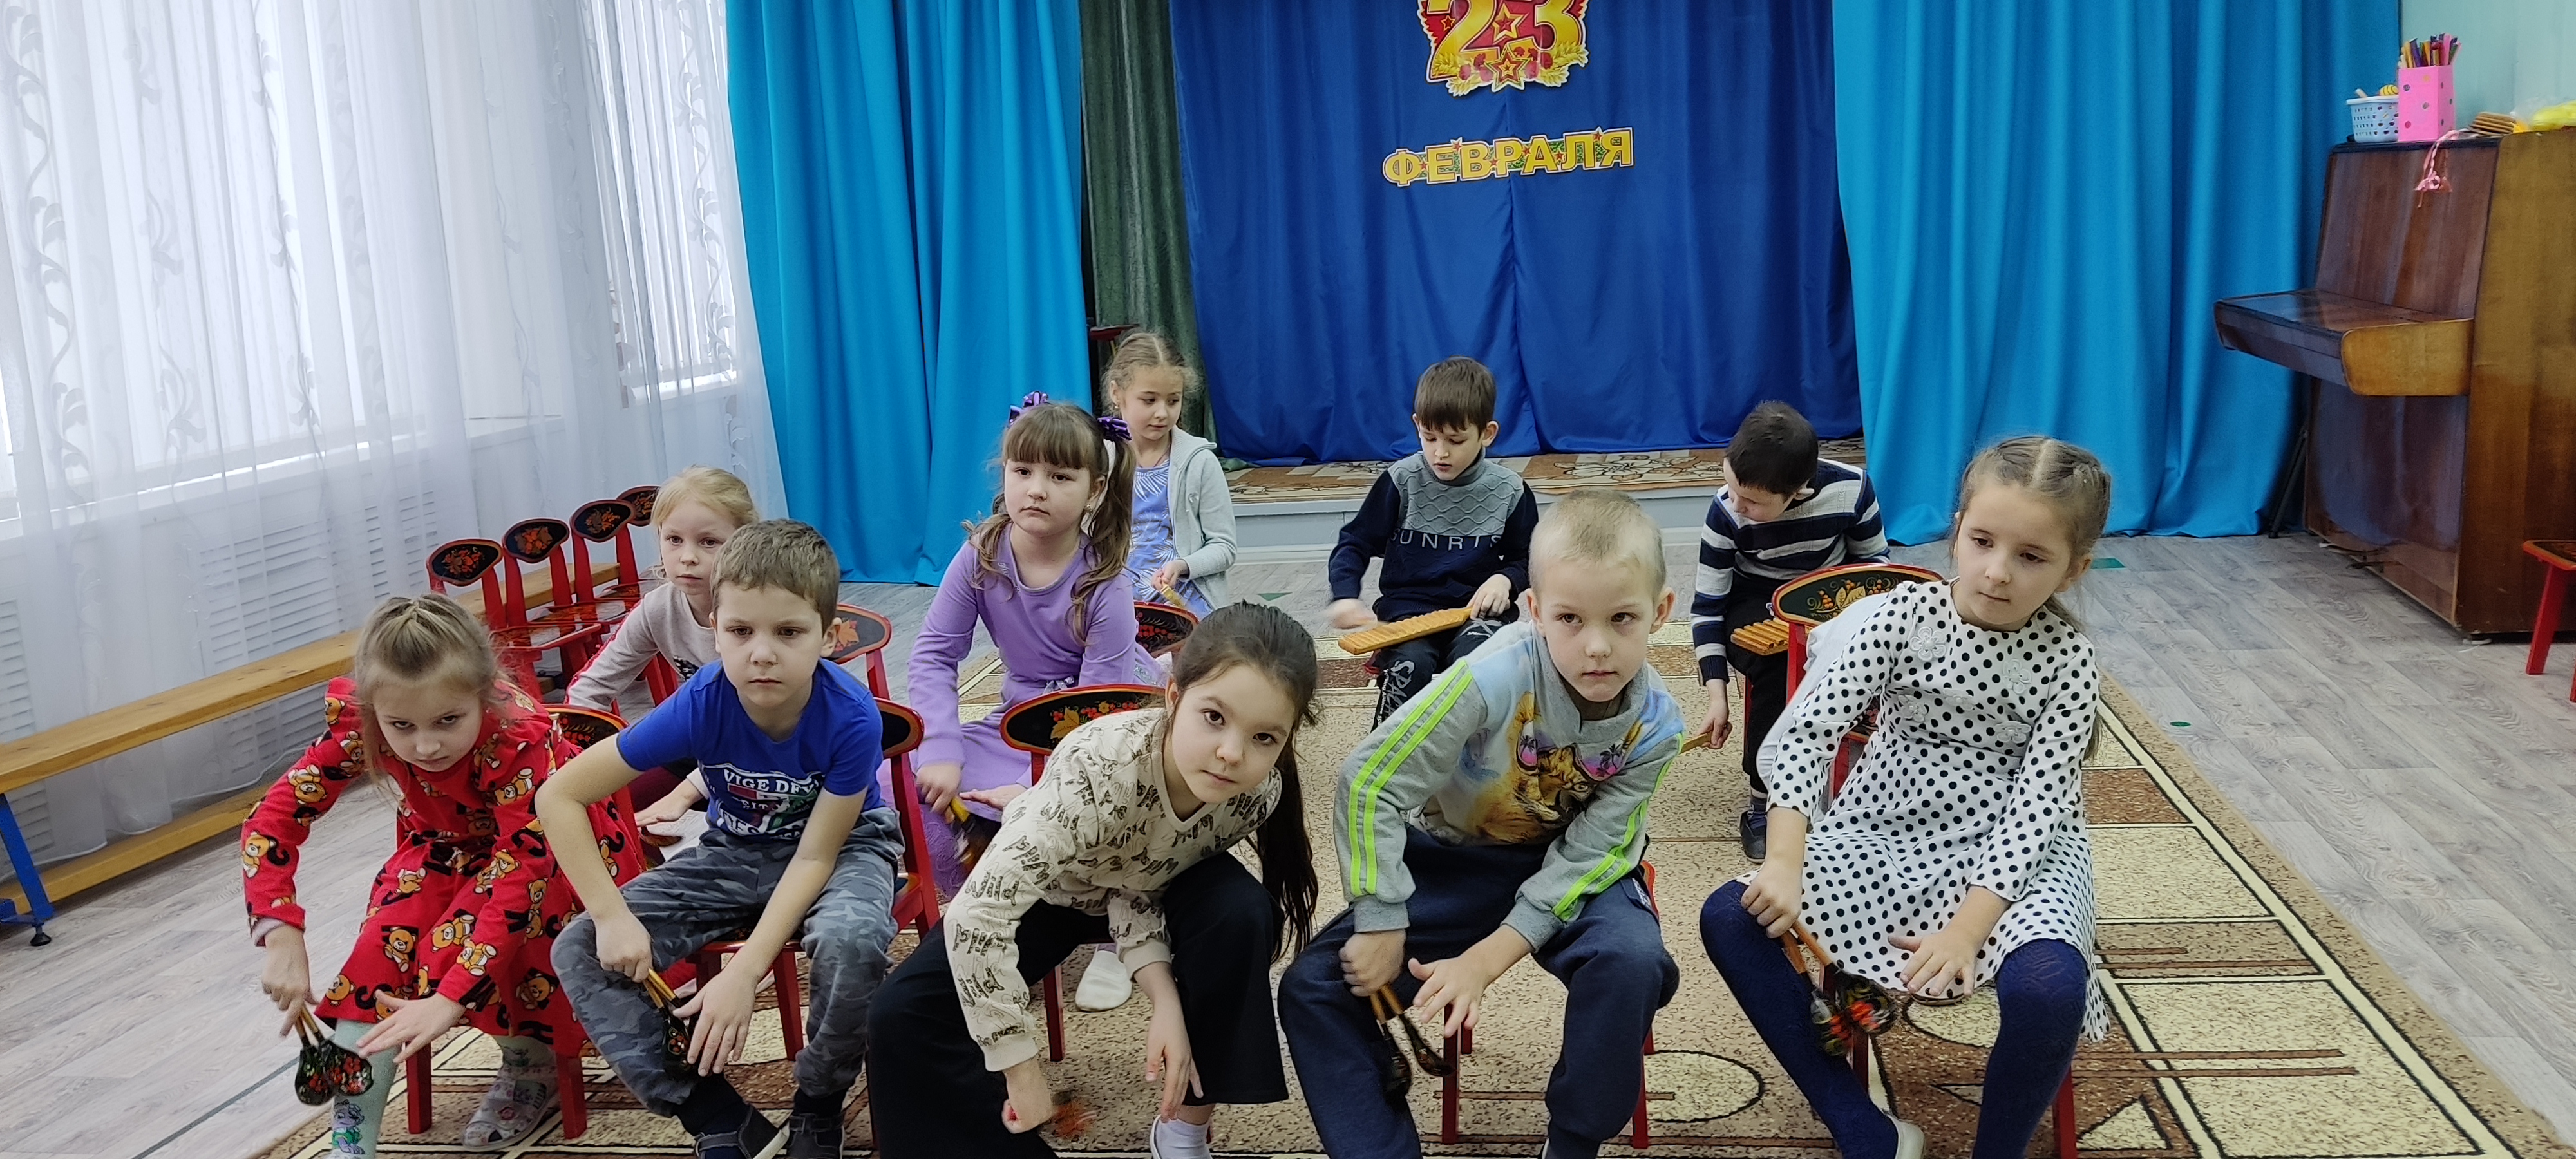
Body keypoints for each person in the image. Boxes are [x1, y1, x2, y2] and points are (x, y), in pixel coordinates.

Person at [1697, 436, 2111, 1159]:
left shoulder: (2070, 660)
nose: (1996, 572)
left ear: (2073, 569)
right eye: (1981, 541)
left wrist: (1966, 933)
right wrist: (1785, 862)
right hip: (1886, 831)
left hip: (2021, 860)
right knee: (1732, 915)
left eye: (2031, 556)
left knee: (2049, 989)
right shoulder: (1899, 616)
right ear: (1957, 528)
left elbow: (2035, 813)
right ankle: (1865, 1129)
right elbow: (1805, 737)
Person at [1282, 488, 1683, 1159]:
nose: (1597, 646)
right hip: (1456, 861)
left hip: (1577, 874)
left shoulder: (1659, 727)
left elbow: (1592, 854)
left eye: (1622, 619)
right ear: (1535, 612)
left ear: (1660, 612)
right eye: (1569, 619)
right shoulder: (1489, 676)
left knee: (1632, 962)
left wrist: (1487, 958)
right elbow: (1371, 780)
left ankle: (1572, 1145)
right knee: (1314, 988)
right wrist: (1380, 917)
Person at [867, 603, 1320, 1159]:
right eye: (1213, 717)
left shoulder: (1255, 795)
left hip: (1136, 885)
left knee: (1241, 911)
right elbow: (978, 915)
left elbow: (1145, 881)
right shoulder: (1101, 765)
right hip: (1057, 882)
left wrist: (1166, 1001)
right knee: (901, 1014)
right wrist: (1021, 1068)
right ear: (1173, 696)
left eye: (1265, 737)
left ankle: (1184, 1130)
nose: (1231, 754)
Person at [243, 594, 645, 1158]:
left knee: (454, 949)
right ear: (375, 710)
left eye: (448, 721)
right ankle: (350, 1148)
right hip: (442, 854)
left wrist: (451, 996)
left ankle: (528, 1062)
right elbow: (273, 819)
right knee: (375, 961)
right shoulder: (363, 723)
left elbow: (522, 877)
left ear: (483, 695)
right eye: (401, 726)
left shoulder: (517, 737)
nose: (425, 745)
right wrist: (280, 931)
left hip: (558, 857)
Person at [542, 520, 895, 1159]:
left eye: (788, 632)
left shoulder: (852, 717)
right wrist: (611, 915)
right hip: (736, 849)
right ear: (715, 628)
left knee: (853, 939)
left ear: (827, 634)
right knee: (582, 947)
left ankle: (819, 1103)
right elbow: (559, 797)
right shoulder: (702, 701)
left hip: (843, 850)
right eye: (740, 631)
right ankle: (716, 1116)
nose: (762, 653)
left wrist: (744, 973)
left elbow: (816, 856)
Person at [908, 397, 1161, 896]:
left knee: (1096, 800)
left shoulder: (1105, 583)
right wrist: (941, 747)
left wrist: (1033, 790)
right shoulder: (980, 555)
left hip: (1101, 724)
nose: (1037, 489)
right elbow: (934, 654)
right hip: (1021, 718)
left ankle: (1042, 876)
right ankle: (983, 869)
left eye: (1060, 477)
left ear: (1095, 490)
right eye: (1022, 471)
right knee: (896, 777)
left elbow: (1098, 720)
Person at [1688, 400, 1888, 859]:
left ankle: (1862, 780)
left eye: (1753, 502)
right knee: (1779, 667)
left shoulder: (1853, 489)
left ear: (1799, 492)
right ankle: (1764, 800)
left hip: (1830, 594)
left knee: (1870, 661)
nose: (1736, 504)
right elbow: (1708, 607)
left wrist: (1857, 625)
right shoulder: (1726, 512)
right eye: (1731, 486)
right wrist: (1717, 694)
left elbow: (1875, 567)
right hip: (1754, 598)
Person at [1325, 356, 1539, 725]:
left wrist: (1506, 579)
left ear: (1487, 433)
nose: (1441, 452)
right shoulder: (1401, 481)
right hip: (1408, 613)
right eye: (1429, 437)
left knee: (1478, 668)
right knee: (1410, 665)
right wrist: (1344, 594)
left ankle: (1480, 750)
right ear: (1417, 425)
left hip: (1477, 614)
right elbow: (1354, 543)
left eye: (1456, 440)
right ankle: (1389, 747)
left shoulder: (1510, 491)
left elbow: (1532, 559)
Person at [562, 465, 760, 820]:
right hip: (696, 745)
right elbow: (591, 686)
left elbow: (762, 725)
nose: (687, 557)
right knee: (600, 808)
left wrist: (687, 792)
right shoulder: (659, 607)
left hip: (766, 758)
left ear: (744, 543)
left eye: (709, 542)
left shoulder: (760, 611)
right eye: (674, 540)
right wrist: (578, 751)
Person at [1104, 329, 1235, 616]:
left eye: (1173, 401)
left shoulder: (1200, 462)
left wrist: (1184, 565)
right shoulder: (1098, 460)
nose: (1162, 413)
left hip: (1187, 606)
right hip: (1113, 606)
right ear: (1117, 393)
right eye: (1149, 400)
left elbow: (1224, 547)